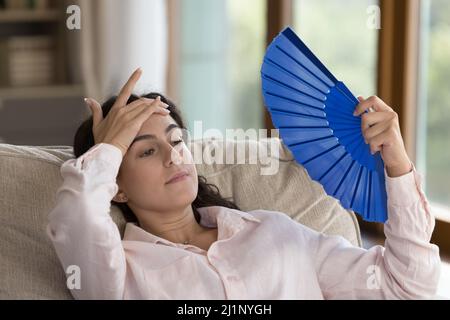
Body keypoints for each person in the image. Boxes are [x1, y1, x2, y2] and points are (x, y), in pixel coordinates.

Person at [47, 68, 440, 299]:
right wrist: (110, 145)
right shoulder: (116, 272)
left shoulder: (276, 232)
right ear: (117, 187)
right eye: (146, 151)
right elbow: (76, 214)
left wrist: (397, 163)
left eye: (178, 139)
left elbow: (406, 286)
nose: (174, 156)